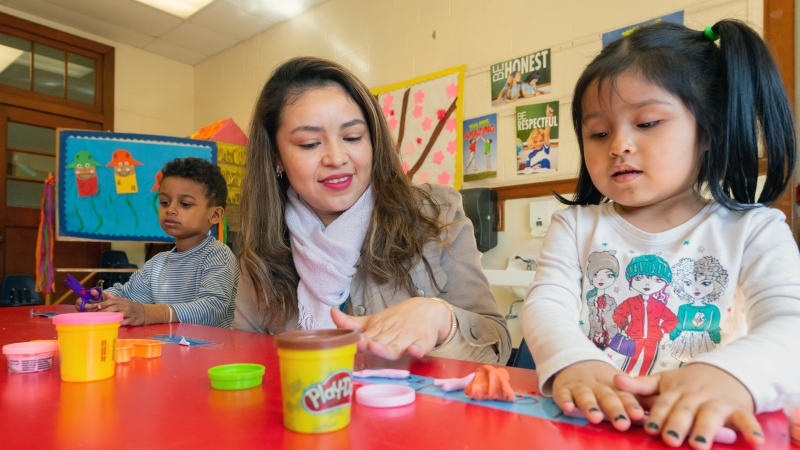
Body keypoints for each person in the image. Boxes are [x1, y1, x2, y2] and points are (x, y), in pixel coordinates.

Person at [522, 20, 800, 450]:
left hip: (706, 434)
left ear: (709, 130)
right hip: (593, 429)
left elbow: (790, 323)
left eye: (648, 123)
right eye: (598, 132)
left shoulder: (753, 230)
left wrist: (730, 376)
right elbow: (546, 305)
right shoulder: (575, 226)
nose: (618, 145)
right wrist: (573, 361)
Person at [233, 57, 510, 365]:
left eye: (352, 137)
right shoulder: (264, 247)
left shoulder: (436, 213)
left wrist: (440, 318)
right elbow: (244, 358)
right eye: (310, 144)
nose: (336, 157)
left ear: (373, 140)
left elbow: (497, 346)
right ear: (276, 156)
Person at [79, 157, 239, 328]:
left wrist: (149, 313)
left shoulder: (218, 255)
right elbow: (126, 295)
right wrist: (100, 299)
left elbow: (212, 309)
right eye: (165, 202)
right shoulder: (157, 264)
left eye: (185, 204)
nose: (170, 210)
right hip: (170, 349)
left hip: (213, 352)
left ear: (214, 215)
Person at [524, 104, 553, 170]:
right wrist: (533, 168)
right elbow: (526, 170)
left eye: (541, 141)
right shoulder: (529, 155)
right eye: (535, 141)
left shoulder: (545, 150)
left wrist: (548, 117)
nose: (538, 143)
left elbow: (546, 134)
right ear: (532, 142)